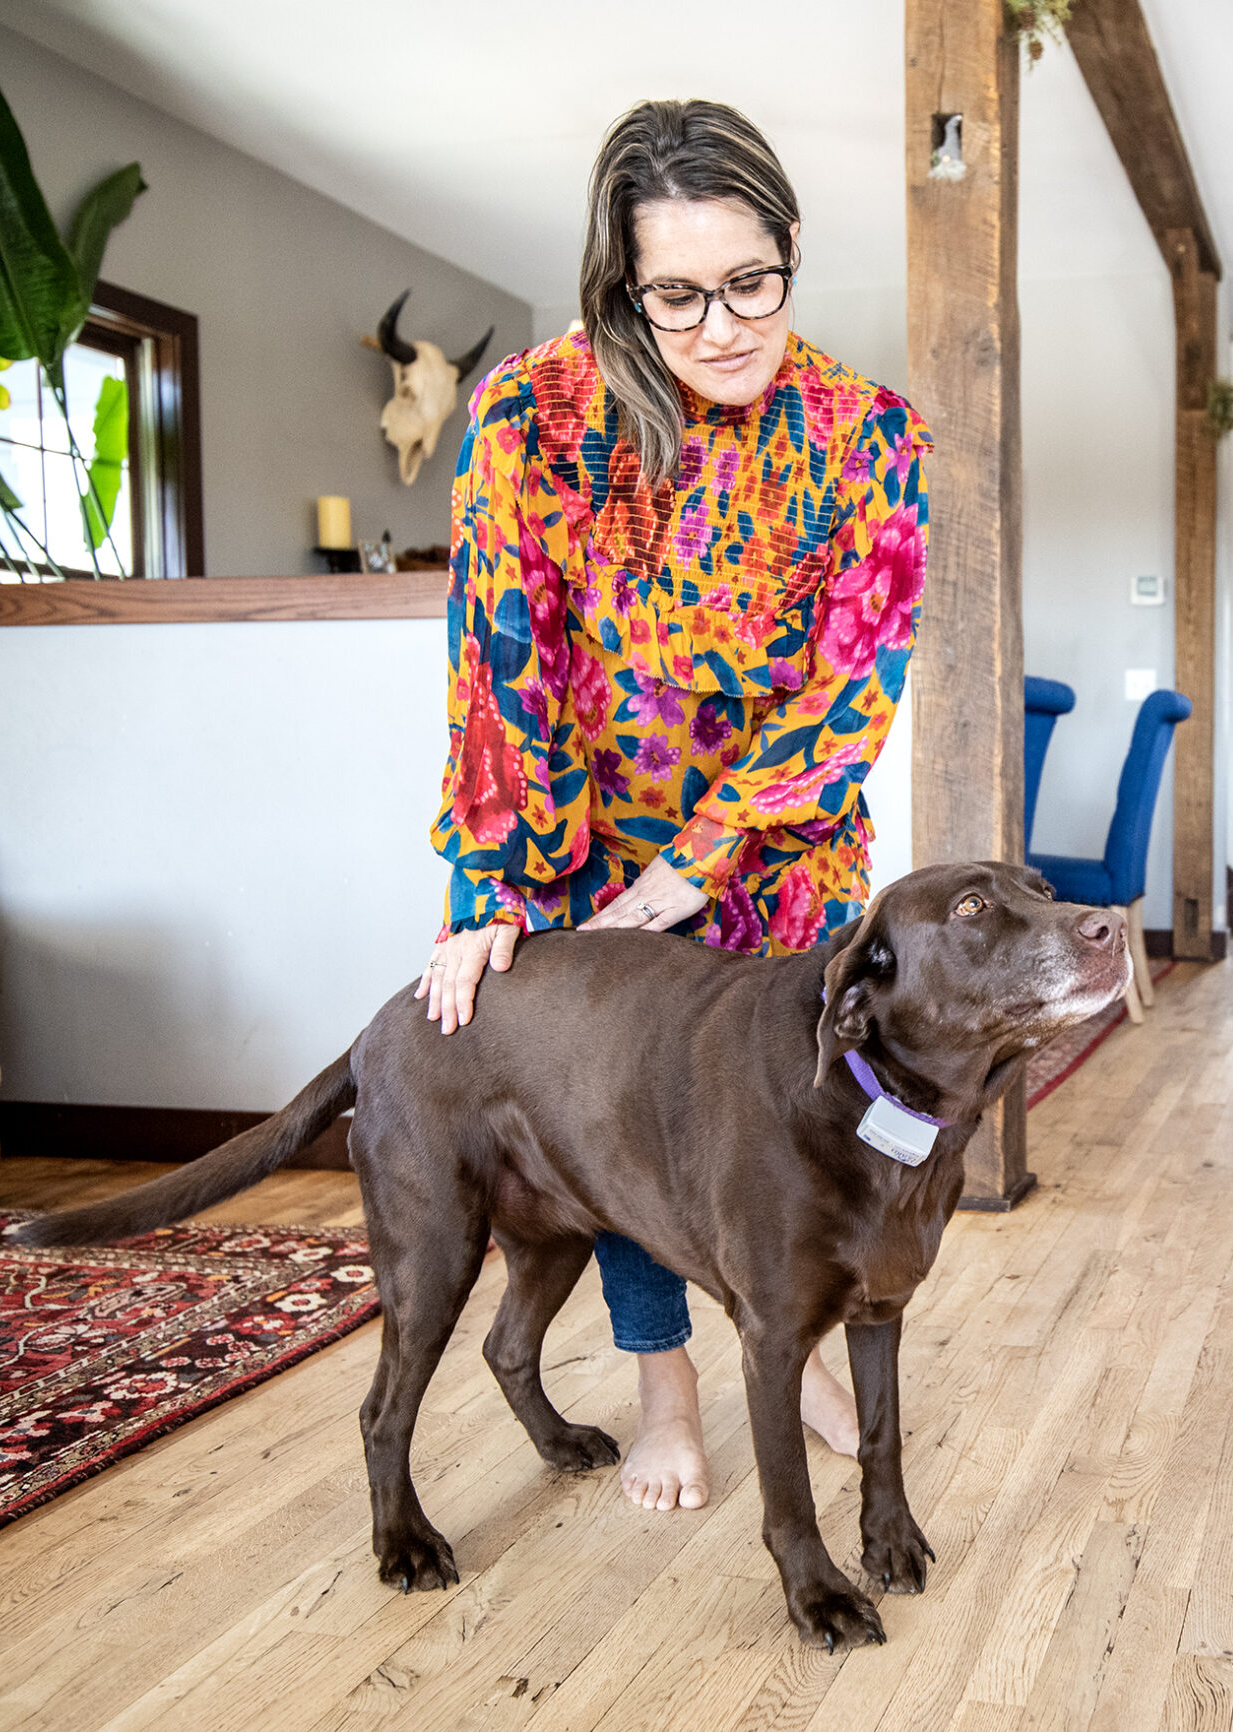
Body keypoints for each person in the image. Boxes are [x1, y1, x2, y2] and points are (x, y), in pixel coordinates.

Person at [419, 99, 927, 1514]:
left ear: (791, 250)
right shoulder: (529, 415)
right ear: (622, 283)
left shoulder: (868, 436)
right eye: (677, 294)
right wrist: (498, 899)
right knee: (626, 1129)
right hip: (586, 842)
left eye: (750, 281)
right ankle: (666, 1387)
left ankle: (797, 1338)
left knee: (794, 1116)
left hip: (779, 842)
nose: (720, 326)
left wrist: (705, 860)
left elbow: (851, 695)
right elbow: (497, 670)